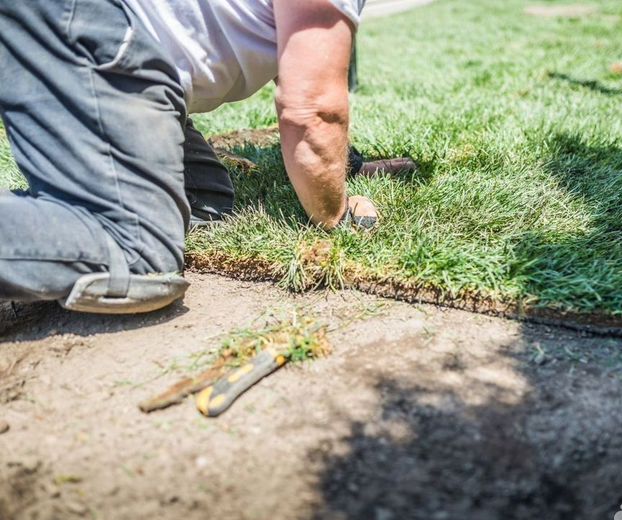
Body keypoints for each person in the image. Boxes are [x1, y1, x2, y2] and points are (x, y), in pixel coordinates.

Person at [0, 0, 408, 316]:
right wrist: (336, 214)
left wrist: (342, 163)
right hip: (78, 24)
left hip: (121, 49)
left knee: (202, 199)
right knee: (136, 253)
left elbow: (302, 63)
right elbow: (311, 109)